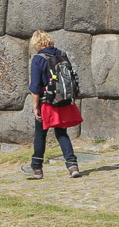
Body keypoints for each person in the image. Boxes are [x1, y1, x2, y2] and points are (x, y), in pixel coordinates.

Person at [24, 31, 82, 179]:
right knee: (62, 133)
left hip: (47, 102)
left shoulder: (38, 59)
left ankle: (36, 168)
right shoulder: (61, 54)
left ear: (36, 43)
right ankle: (72, 165)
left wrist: (35, 107)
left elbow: (35, 87)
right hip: (62, 100)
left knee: (40, 135)